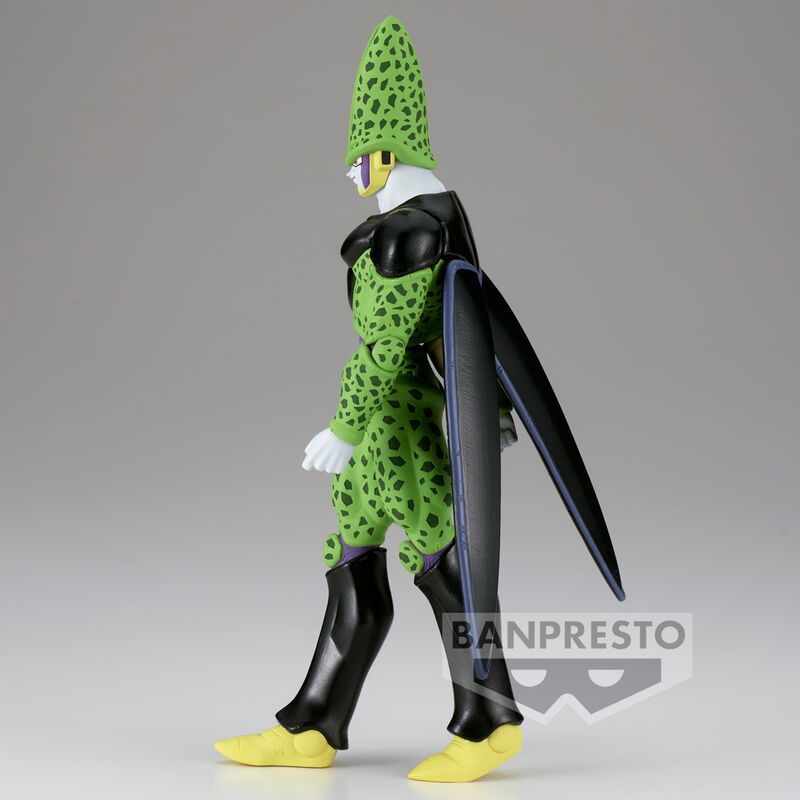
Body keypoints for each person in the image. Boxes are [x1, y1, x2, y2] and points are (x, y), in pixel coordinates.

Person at [214, 15, 525, 783]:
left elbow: (386, 351)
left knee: (446, 567)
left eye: (359, 157)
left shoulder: (407, 235)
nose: (351, 172)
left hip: (399, 431)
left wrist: (343, 429)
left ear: (386, 154)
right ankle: (313, 725)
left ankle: (490, 720)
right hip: (383, 436)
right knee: (354, 563)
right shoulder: (426, 223)